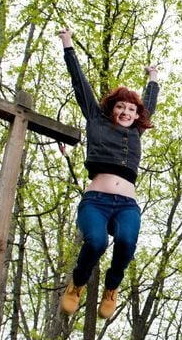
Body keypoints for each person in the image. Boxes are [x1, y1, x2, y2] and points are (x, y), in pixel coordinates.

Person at [58, 28, 159, 319]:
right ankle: (77, 285)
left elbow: (149, 105)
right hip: (96, 202)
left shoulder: (138, 129)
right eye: (121, 107)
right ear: (112, 109)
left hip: (127, 205)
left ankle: (111, 289)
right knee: (97, 242)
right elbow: (80, 83)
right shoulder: (96, 120)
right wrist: (68, 45)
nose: (126, 112)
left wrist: (153, 78)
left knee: (127, 241)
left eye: (131, 109)